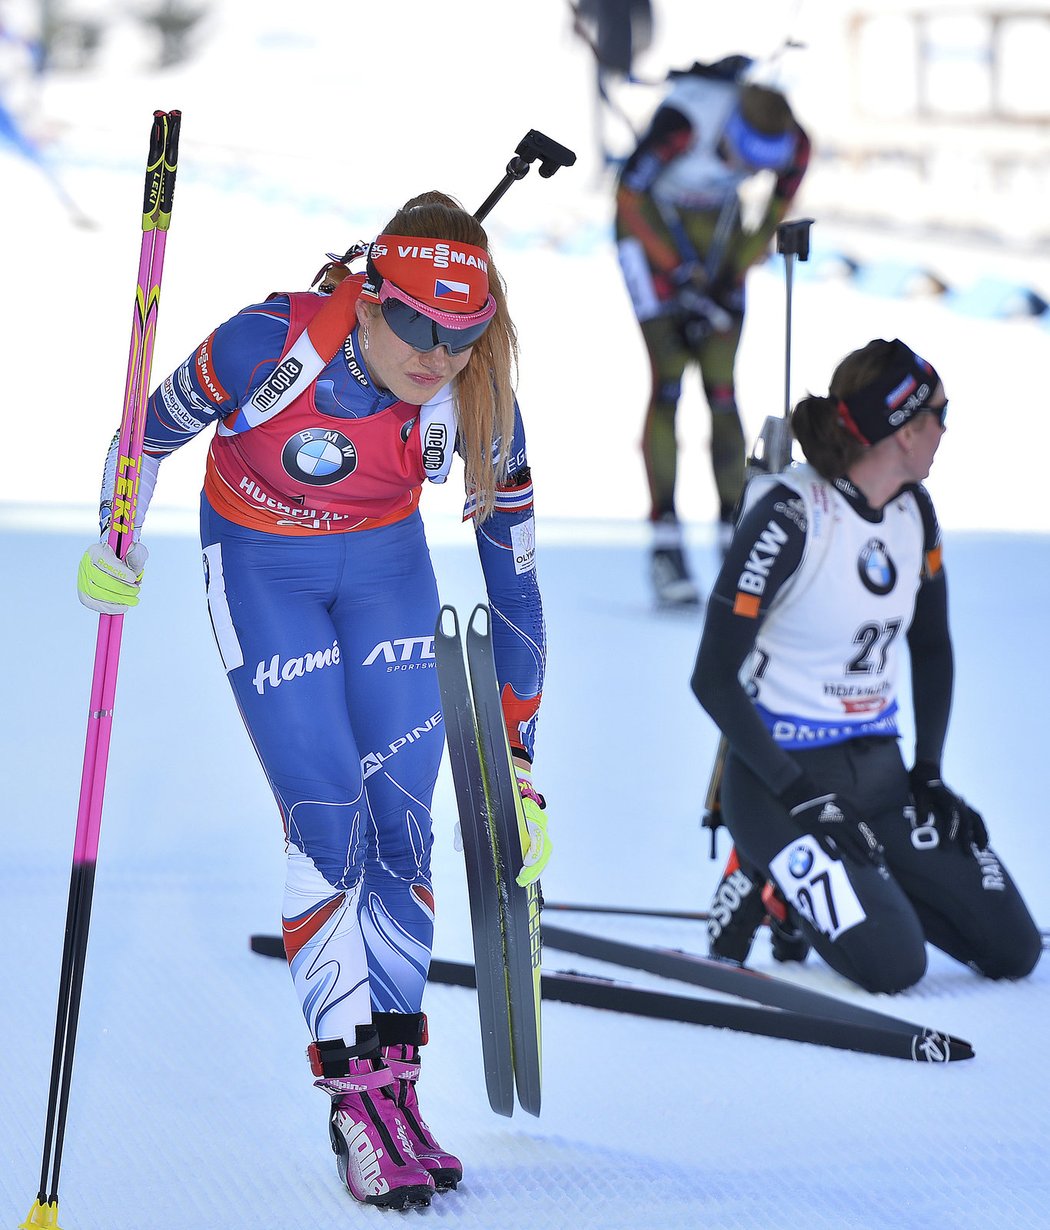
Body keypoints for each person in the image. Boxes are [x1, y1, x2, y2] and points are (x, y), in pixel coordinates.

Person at [76, 192, 552, 1210]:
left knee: (405, 829)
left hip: (383, 572)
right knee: (328, 820)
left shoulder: (476, 403)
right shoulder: (270, 342)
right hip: (262, 570)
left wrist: (518, 758)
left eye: (463, 336)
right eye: (418, 324)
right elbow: (146, 432)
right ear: (367, 296)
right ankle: (349, 1102)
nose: (438, 354)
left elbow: (513, 586)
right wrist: (117, 533)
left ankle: (398, 1084)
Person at [690, 338, 1040, 993]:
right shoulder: (793, 516)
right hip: (780, 786)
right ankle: (766, 875)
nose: (944, 429)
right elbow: (712, 677)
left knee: (1012, 948)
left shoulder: (914, 512)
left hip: (879, 777)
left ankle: (853, 878)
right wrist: (796, 793)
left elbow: (931, 646)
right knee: (894, 965)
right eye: (939, 414)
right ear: (904, 432)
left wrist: (929, 774)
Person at [614, 59, 810, 605]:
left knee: (722, 388)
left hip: (717, 233)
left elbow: (776, 205)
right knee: (671, 381)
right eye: (735, 156)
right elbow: (627, 199)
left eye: (753, 166)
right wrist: (679, 276)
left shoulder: (795, 142)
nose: (739, 168)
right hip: (653, 229)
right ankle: (666, 547)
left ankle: (736, 537)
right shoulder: (684, 122)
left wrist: (734, 274)